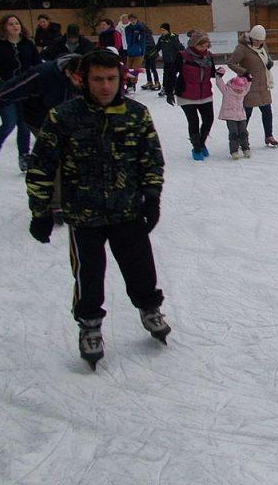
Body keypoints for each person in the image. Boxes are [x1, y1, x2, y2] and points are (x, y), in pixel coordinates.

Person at [25, 48, 170, 369]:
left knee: (141, 266)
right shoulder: (63, 117)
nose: (105, 86)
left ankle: (149, 308)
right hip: (83, 215)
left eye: (111, 79)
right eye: (97, 79)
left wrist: (152, 196)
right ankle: (90, 325)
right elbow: (42, 167)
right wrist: (41, 212)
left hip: (128, 210)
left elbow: (151, 159)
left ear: (120, 79)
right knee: (88, 275)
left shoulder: (136, 114)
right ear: (83, 80)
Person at [0, 53, 84, 225]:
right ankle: (55, 204)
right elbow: (11, 89)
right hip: (40, 119)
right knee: (57, 156)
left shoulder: (90, 74)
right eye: (78, 78)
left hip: (69, 119)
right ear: (68, 72)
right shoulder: (43, 74)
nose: (81, 82)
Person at [0, 14, 40, 171]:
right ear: (4, 27)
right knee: (9, 122)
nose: (15, 26)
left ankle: (24, 156)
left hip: (25, 90)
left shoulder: (28, 45)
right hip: (4, 90)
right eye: (11, 24)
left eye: (17, 23)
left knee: (24, 124)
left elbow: (37, 66)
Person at [164, 30, 220, 161]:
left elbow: (212, 73)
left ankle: (201, 143)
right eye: (201, 46)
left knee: (208, 120)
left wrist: (218, 73)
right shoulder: (183, 55)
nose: (204, 49)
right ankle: (197, 148)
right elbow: (171, 73)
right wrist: (169, 91)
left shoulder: (209, 56)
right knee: (193, 121)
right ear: (194, 44)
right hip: (186, 94)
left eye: (206, 46)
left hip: (205, 93)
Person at [227, 25, 278, 148]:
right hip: (249, 85)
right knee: (246, 113)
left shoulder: (262, 45)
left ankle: (269, 135)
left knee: (267, 111)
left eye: (261, 40)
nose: (259, 42)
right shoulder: (242, 48)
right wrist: (244, 72)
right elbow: (231, 63)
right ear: (251, 38)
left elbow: (265, 57)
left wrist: (269, 62)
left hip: (263, 84)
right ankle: (242, 137)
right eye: (257, 40)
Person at [216, 73, 252, 160]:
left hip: (241, 116)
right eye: (237, 90)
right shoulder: (227, 90)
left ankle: (246, 149)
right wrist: (218, 75)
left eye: (241, 90)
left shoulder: (243, 92)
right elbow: (219, 83)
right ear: (233, 87)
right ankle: (234, 151)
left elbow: (247, 86)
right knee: (234, 133)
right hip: (230, 117)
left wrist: (249, 79)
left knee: (244, 132)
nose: (239, 92)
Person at [154, 23, 181, 97]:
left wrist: (183, 55)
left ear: (167, 30)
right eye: (161, 30)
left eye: (164, 30)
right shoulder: (161, 38)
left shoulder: (173, 37)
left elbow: (179, 47)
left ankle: (174, 88)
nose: (162, 32)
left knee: (172, 74)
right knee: (165, 74)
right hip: (166, 60)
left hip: (173, 60)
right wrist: (151, 54)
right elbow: (157, 47)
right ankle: (165, 87)